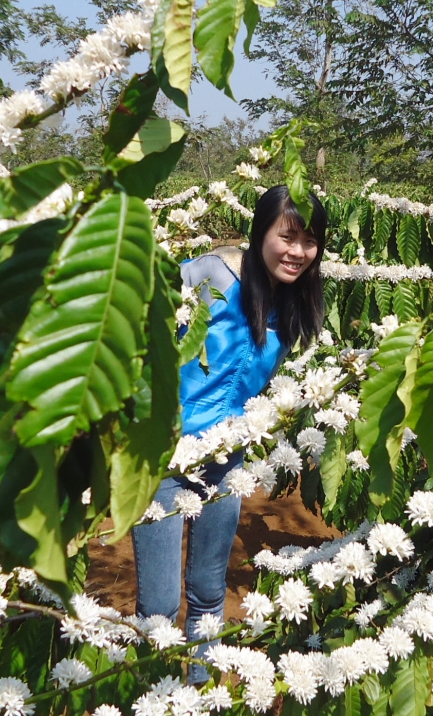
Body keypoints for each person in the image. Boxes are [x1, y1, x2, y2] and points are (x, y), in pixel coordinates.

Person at [131, 184, 328, 684]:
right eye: (287, 237)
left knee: (208, 590)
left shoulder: (292, 305)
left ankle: (199, 691)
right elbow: (138, 323)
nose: (298, 251)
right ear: (260, 233)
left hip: (225, 461)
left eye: (310, 241)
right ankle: (154, 694)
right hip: (163, 459)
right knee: (158, 604)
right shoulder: (210, 275)